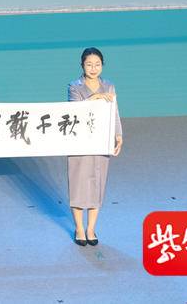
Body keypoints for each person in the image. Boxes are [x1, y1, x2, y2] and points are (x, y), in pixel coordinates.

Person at [67, 47, 123, 247]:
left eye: (97, 64)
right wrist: (97, 97)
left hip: (101, 140)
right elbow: (75, 111)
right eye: (89, 64)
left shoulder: (109, 86)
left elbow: (114, 112)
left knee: (97, 184)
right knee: (78, 184)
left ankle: (91, 228)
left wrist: (118, 135)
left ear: (102, 65)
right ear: (82, 65)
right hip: (80, 142)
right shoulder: (75, 86)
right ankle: (79, 228)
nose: (93, 68)